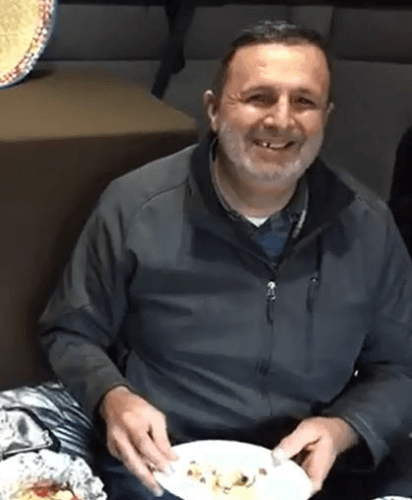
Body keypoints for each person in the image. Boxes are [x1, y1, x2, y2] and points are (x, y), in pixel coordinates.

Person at [40, 20, 412, 500]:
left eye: (304, 101)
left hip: (309, 474)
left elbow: (402, 366)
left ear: (327, 116)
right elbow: (70, 331)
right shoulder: (135, 205)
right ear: (214, 110)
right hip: (165, 467)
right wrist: (114, 399)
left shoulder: (368, 226)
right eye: (259, 97)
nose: (281, 120)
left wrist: (346, 427)